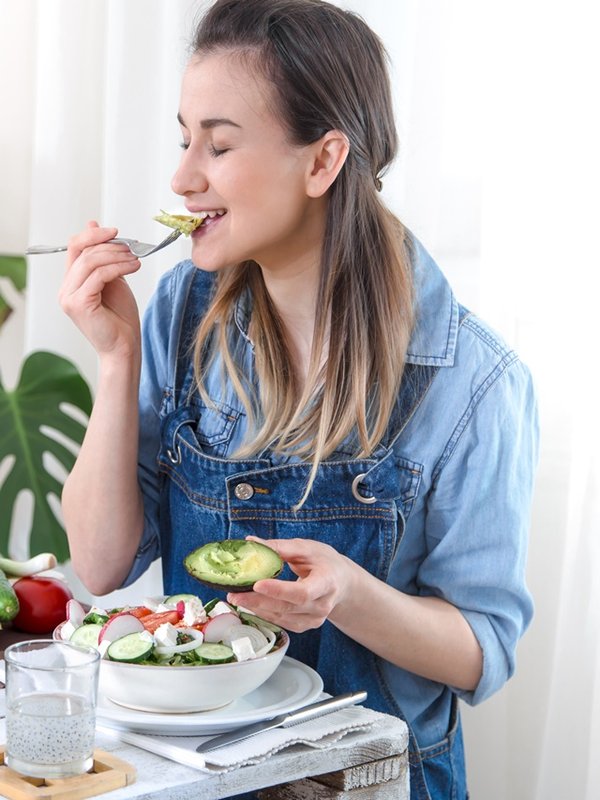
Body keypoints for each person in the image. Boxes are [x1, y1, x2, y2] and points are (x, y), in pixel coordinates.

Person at [59, 1, 538, 797]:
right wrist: (117, 361)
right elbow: (101, 564)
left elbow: (480, 651)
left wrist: (350, 593)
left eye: (218, 144)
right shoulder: (180, 314)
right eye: (184, 139)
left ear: (323, 162)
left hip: (369, 781)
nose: (182, 178)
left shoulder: (472, 379)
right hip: (200, 776)